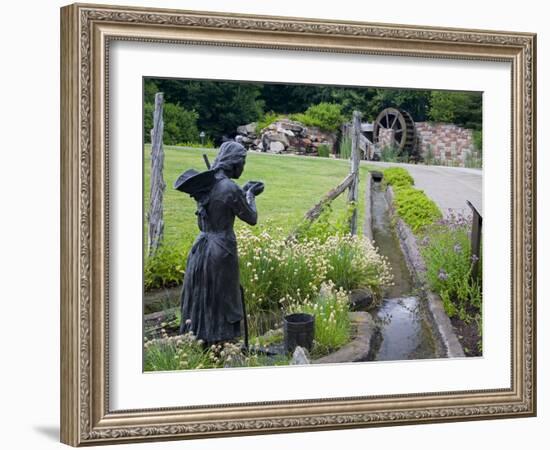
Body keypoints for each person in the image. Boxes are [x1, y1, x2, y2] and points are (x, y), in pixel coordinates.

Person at [175, 141, 264, 344]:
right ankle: (221, 341)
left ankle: (201, 338)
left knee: (205, 294)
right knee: (223, 297)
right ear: (235, 162)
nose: (243, 167)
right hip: (221, 249)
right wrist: (250, 194)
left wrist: (240, 193)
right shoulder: (230, 187)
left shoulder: (205, 183)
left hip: (202, 246)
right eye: (243, 162)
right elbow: (251, 218)